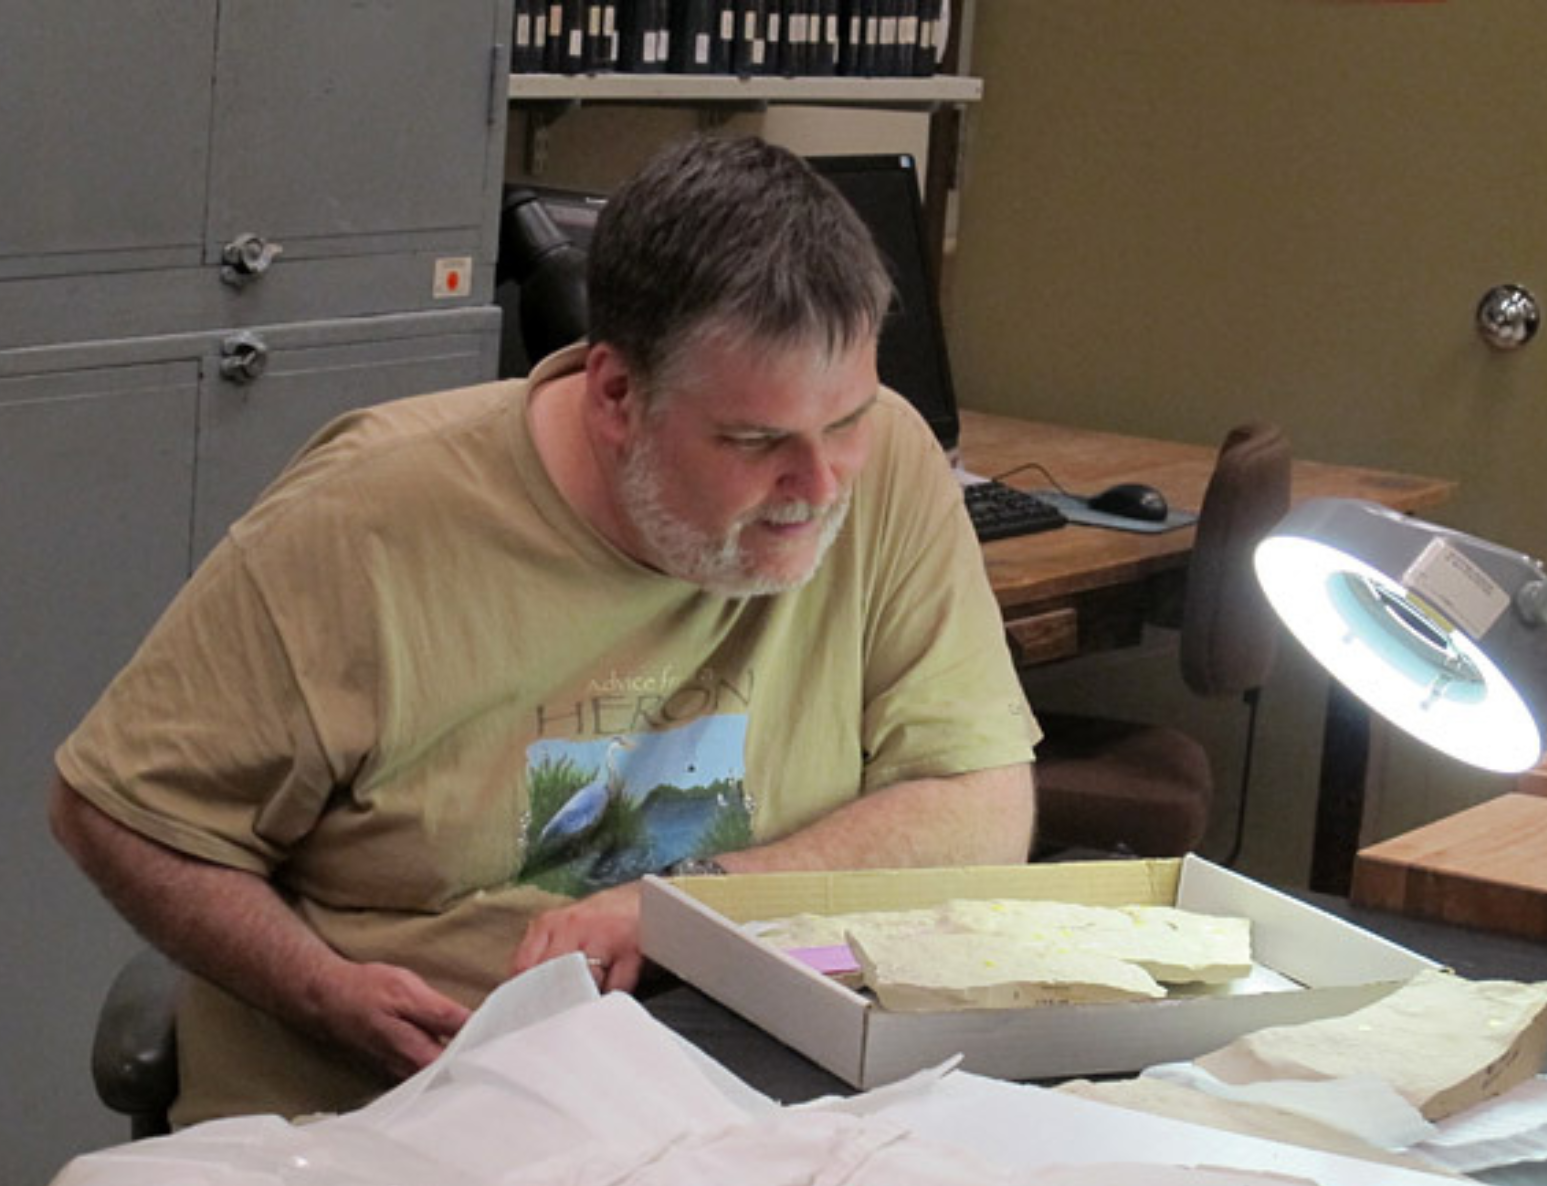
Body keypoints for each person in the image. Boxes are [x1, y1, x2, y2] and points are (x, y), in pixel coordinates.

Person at [50, 134, 1038, 1126]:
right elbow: (118, 813)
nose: (820, 489)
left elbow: (980, 802)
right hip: (396, 1111)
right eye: (753, 441)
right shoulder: (364, 527)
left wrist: (689, 905)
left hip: (746, 1104)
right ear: (616, 395)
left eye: (847, 422)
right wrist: (316, 992)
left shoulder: (891, 468)